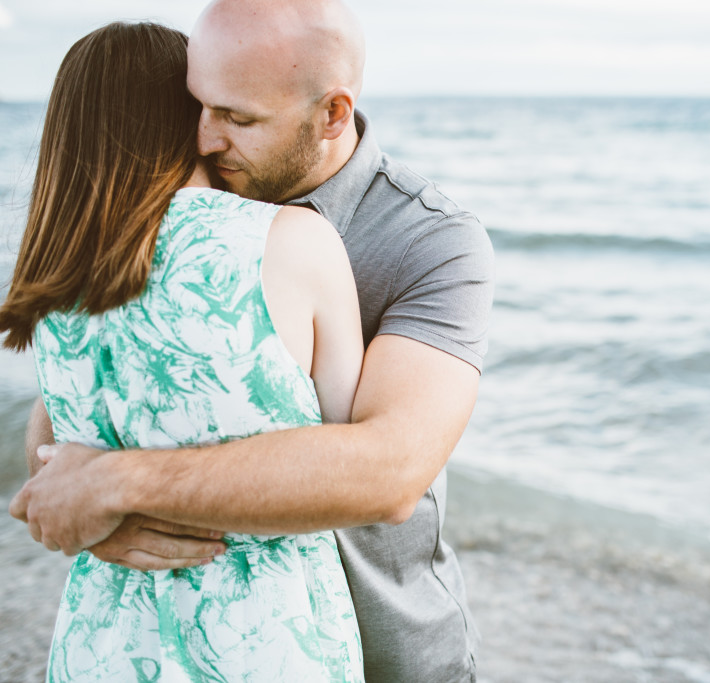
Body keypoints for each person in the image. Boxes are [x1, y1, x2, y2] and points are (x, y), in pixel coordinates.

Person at [10, 0, 494, 681]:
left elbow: (390, 469)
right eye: (197, 107)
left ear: (330, 114)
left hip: (390, 652)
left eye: (237, 119)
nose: (203, 140)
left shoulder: (431, 240)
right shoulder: (176, 215)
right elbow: (66, 412)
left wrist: (116, 481)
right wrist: (95, 510)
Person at [0, 21, 366, 681]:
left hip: (99, 643)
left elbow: (48, 459)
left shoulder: (56, 281)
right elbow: (344, 452)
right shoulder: (291, 239)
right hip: (265, 641)